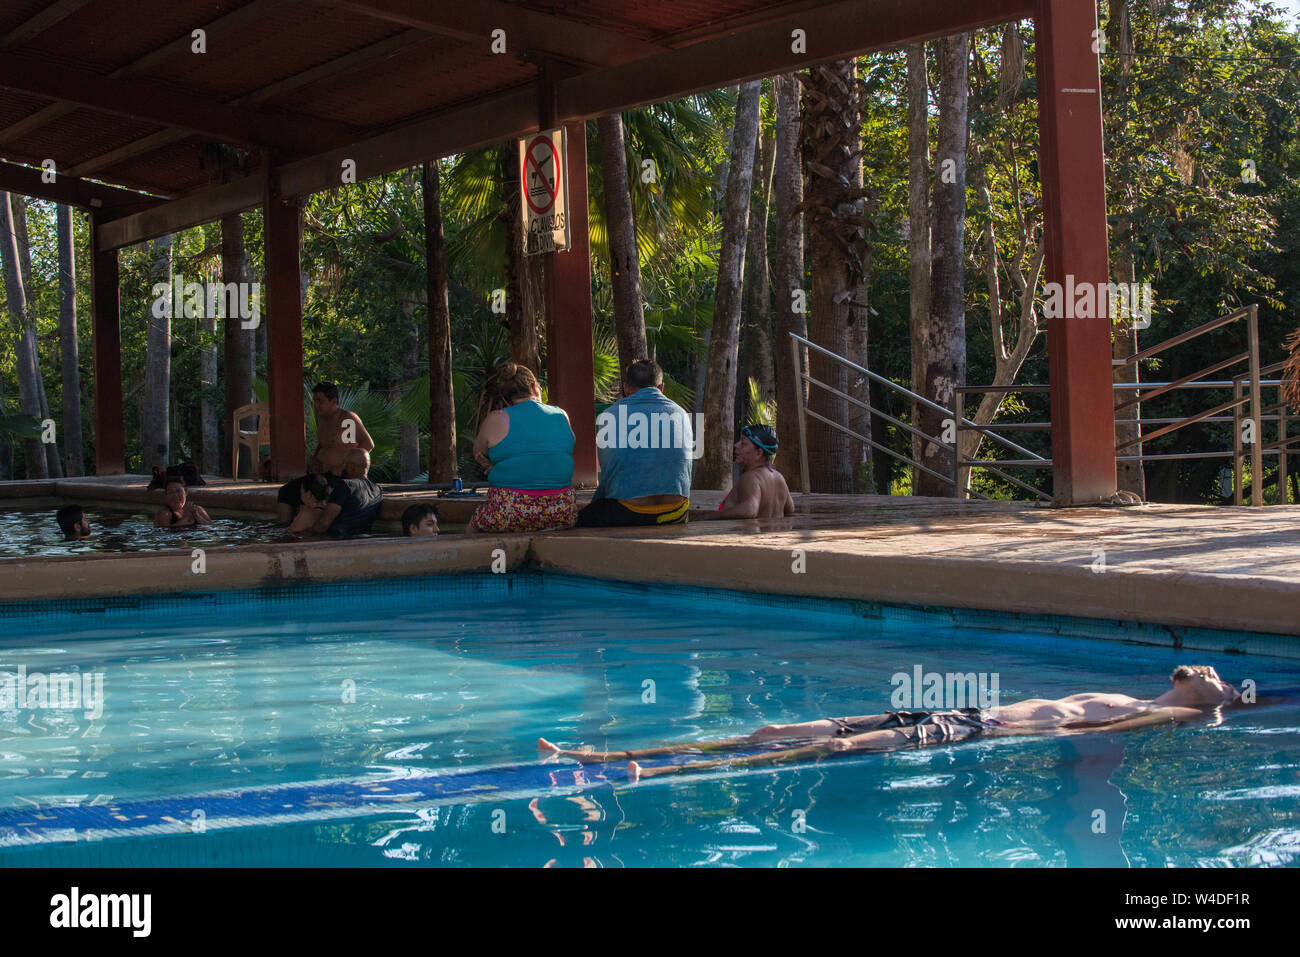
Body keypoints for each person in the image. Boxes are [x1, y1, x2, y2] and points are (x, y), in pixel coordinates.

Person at [538, 665, 1245, 781]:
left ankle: (671, 770)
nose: (1212, 673)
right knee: (771, 731)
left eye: (1217, 683)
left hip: (975, 733)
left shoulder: (1156, 721)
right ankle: (600, 752)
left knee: (841, 746)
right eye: (1206, 672)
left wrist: (1208, 704)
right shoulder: (1142, 696)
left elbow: (1079, 742)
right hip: (963, 715)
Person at [576, 359, 694, 527]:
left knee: (580, 519)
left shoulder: (611, 414)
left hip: (629, 512)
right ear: (661, 388)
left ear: (626, 388)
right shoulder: (681, 414)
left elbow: (609, 472)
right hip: (675, 512)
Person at [467, 362, 576, 533]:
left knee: (473, 526)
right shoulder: (561, 414)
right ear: (534, 387)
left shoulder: (496, 418)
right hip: (561, 510)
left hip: (509, 511)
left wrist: (491, 466)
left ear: (504, 398)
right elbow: (559, 451)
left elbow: (478, 453)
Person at [275, 382, 374, 523]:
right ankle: (283, 529)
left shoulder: (346, 420)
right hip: (322, 474)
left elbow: (367, 444)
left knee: (316, 495)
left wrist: (343, 467)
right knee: (286, 491)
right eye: (314, 401)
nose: (316, 405)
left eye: (320, 401)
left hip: (339, 477)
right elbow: (323, 444)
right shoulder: (321, 418)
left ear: (334, 401)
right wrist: (315, 459)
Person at [707, 424, 794, 520]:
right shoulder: (778, 477)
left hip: (754, 535)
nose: (736, 445)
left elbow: (750, 510)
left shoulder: (751, 477)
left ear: (758, 453)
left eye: (743, 444)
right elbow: (790, 509)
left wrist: (707, 516)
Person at [290, 449, 382, 538]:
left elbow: (324, 523)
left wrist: (305, 535)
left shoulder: (345, 485)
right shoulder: (378, 490)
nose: (341, 467)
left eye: (344, 464)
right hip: (362, 539)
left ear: (352, 467)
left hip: (337, 539)